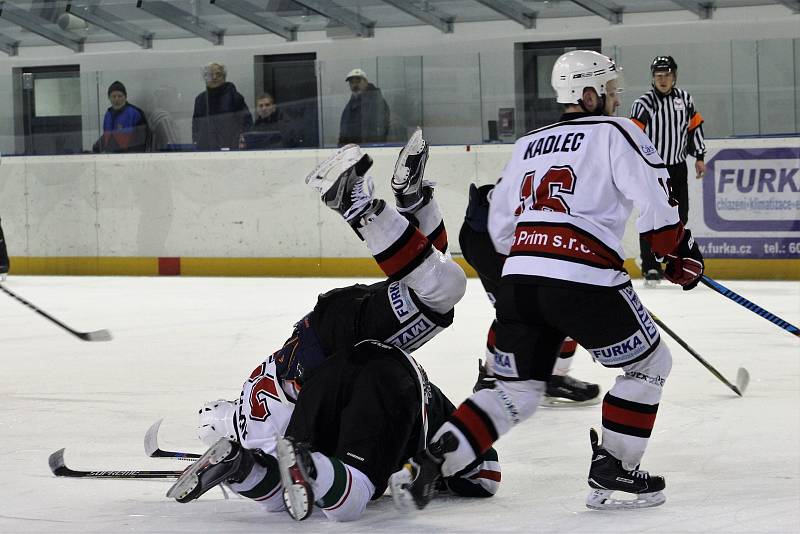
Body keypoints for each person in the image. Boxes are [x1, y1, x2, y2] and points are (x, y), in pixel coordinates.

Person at [391, 50, 704, 512]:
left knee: (513, 391)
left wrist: (530, 269)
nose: (617, 99)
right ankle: (614, 467)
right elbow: (658, 199)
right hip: (584, 279)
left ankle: (432, 460)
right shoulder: (619, 132)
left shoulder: (528, 143)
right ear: (590, 94)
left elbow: (499, 229)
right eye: (612, 91)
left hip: (521, 279)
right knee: (649, 365)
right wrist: (678, 255)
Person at [167, 130, 499, 522]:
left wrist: (246, 472)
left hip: (334, 348)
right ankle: (412, 201)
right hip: (331, 334)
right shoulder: (252, 402)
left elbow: (280, 495)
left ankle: (368, 205)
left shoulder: (258, 427)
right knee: (430, 278)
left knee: (441, 287)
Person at [461, 183, 601, 406]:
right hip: (494, 243)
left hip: (478, 236)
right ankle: (546, 378)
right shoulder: (578, 185)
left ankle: (495, 378)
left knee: (527, 308)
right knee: (554, 306)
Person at [630, 56, 707, 286]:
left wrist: (700, 156)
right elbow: (633, 135)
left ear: (674, 76)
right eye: (659, 75)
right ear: (653, 78)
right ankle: (650, 266)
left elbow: (695, 128)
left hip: (678, 167)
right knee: (651, 218)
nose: (663, 79)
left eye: (667, 75)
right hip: (653, 170)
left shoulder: (685, 100)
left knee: (679, 217)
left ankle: (674, 262)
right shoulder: (644, 103)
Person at [192, 62, 253, 151]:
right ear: (205, 77)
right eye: (210, 74)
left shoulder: (234, 97)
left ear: (224, 77)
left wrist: (244, 142)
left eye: (218, 74)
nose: (214, 77)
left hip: (231, 148)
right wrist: (197, 142)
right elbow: (195, 126)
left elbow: (247, 123)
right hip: (205, 150)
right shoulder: (200, 100)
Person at [92, 81, 149, 153]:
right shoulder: (108, 114)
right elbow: (107, 136)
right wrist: (96, 147)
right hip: (110, 156)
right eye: (113, 96)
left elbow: (142, 141)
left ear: (125, 97)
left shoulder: (135, 113)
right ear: (109, 97)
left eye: (120, 96)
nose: (116, 99)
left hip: (128, 157)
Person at [338, 68, 390, 146]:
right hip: (353, 150)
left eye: (358, 81)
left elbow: (380, 127)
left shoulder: (376, 101)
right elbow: (344, 129)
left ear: (366, 82)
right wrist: (341, 146)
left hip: (370, 147)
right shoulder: (350, 105)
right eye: (351, 82)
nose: (355, 85)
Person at [146, 86, 180, 152]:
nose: (177, 101)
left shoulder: (156, 113)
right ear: (165, 99)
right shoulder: (163, 117)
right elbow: (171, 145)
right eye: (174, 98)